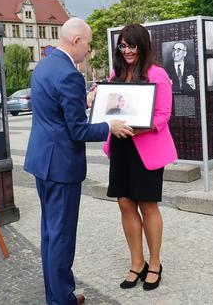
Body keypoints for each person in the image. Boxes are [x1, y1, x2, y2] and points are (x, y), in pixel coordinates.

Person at [23, 17, 132, 305]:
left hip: (41, 162)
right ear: (75, 41)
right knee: (61, 236)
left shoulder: (45, 65)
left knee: (50, 233)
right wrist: (111, 127)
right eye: (88, 43)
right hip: (61, 166)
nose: (89, 49)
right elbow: (78, 130)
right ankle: (62, 300)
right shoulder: (69, 74)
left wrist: (82, 100)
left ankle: (56, 294)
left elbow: (53, 109)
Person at [98, 24, 177, 291]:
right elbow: (108, 109)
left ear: (142, 46)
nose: (127, 51)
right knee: (124, 204)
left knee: (148, 205)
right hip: (121, 146)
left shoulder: (158, 74)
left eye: (132, 45)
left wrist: (139, 126)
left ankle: (154, 264)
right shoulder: (115, 74)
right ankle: (137, 262)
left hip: (146, 147)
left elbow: (164, 115)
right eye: (122, 46)